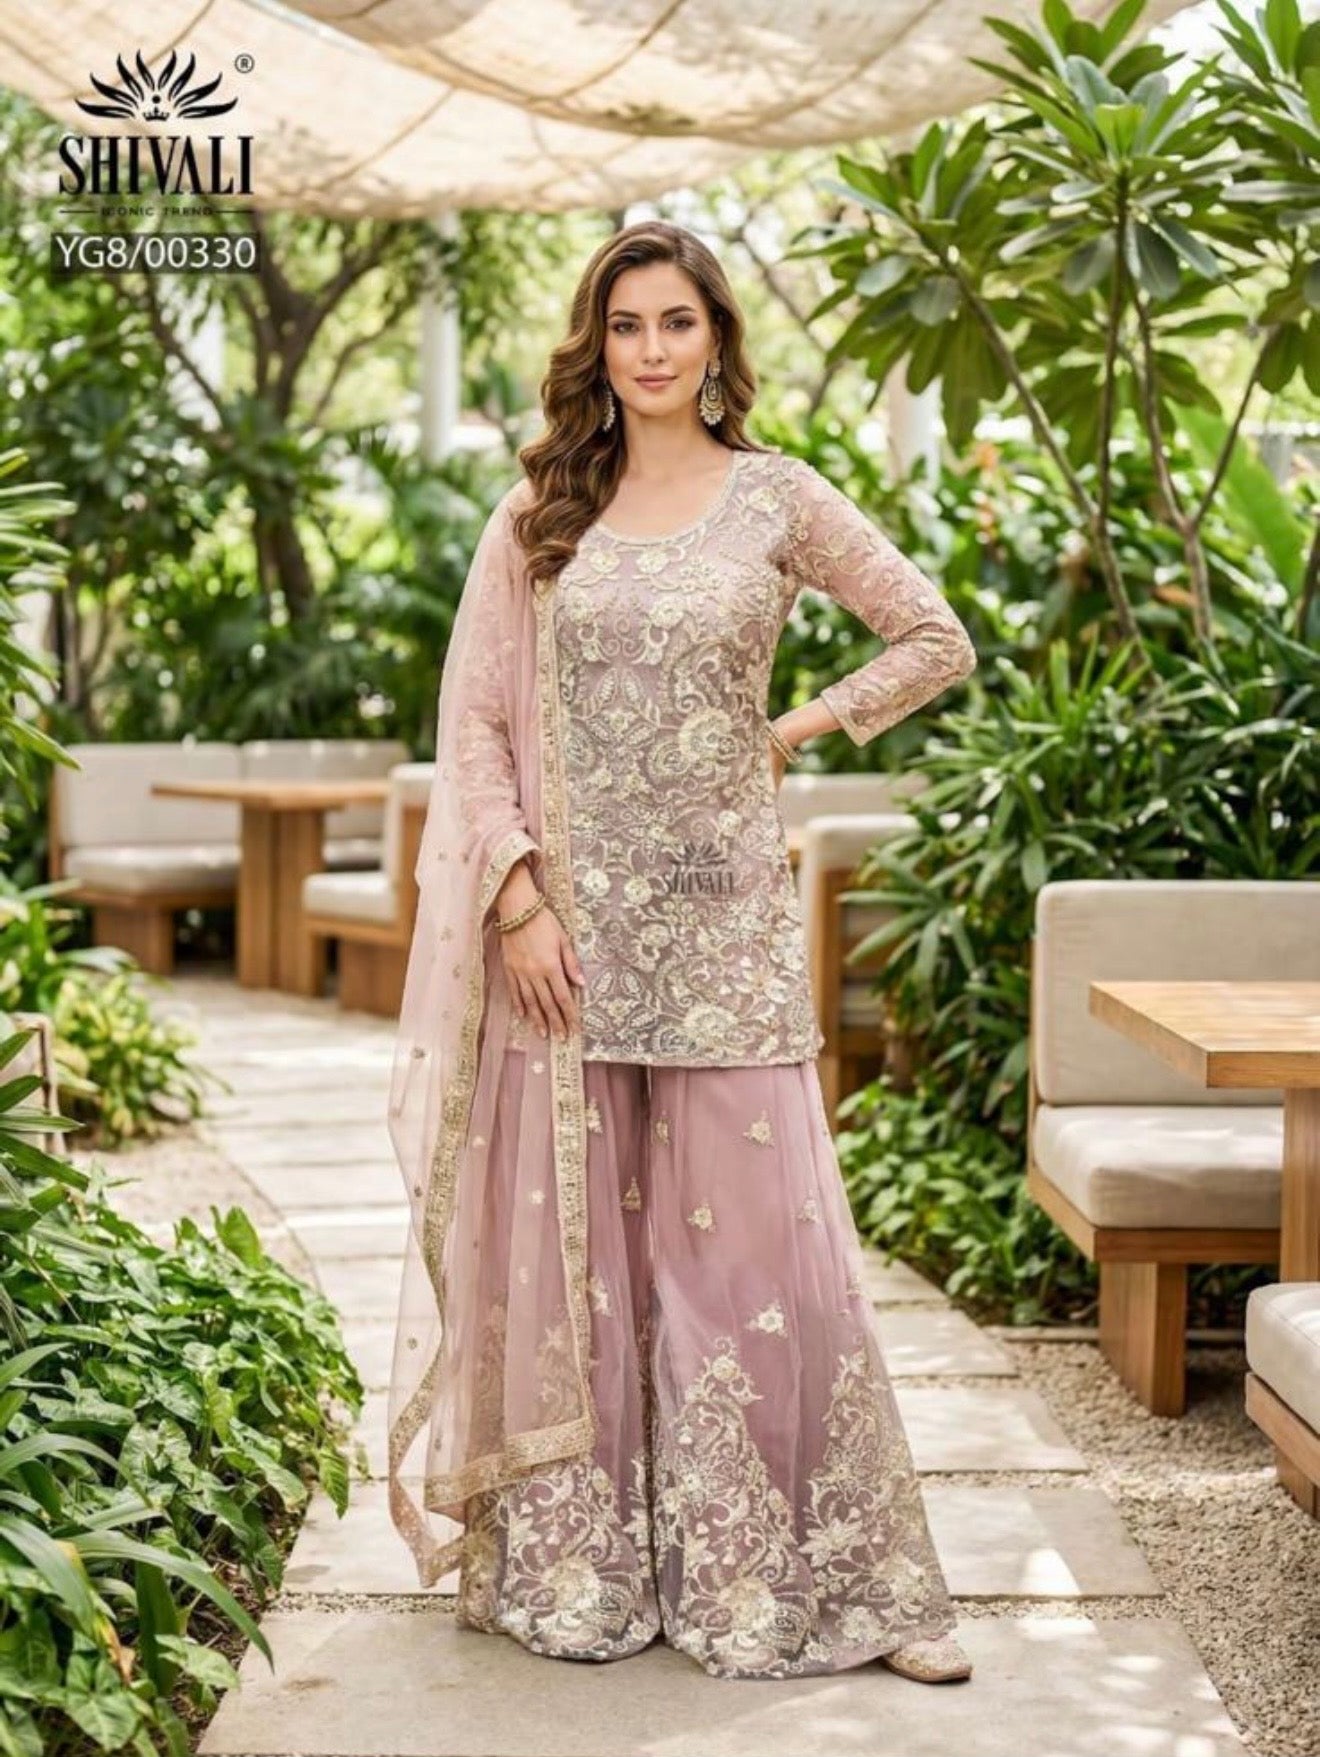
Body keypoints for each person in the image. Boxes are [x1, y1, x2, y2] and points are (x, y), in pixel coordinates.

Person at [385, 219, 979, 1685]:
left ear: (716, 338)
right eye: (627, 324)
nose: (651, 349)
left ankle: (800, 1567)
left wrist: (798, 727)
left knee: (753, 1259)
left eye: (677, 322)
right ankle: (587, 1557)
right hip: (569, 945)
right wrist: (517, 898)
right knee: (584, 1264)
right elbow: (476, 725)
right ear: (597, 345)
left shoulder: (778, 496)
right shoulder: (543, 513)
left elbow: (933, 636)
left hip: (724, 931)